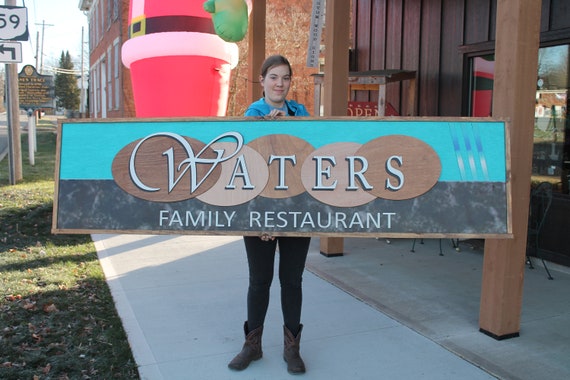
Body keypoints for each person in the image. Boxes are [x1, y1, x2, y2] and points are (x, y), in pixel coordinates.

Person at [228, 55, 311, 374]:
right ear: (262, 80)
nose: (280, 83)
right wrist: (263, 217)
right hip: (258, 210)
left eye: (286, 78)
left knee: (292, 281)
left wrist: (291, 126)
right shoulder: (251, 115)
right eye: (274, 77)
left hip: (296, 210)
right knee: (259, 281)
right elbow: (246, 168)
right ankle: (252, 345)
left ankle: (293, 348)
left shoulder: (301, 114)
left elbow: (311, 155)